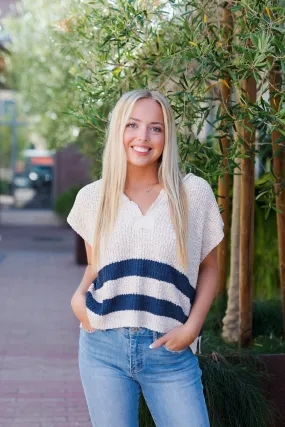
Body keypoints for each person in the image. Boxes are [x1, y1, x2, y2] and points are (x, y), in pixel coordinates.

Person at [67, 89, 224, 427]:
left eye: (156, 128)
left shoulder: (192, 193)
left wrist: (192, 327)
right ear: (118, 131)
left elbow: (210, 269)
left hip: (169, 349)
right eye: (133, 125)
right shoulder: (93, 197)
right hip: (102, 347)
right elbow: (97, 268)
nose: (143, 137)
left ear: (167, 137)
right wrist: (78, 298)